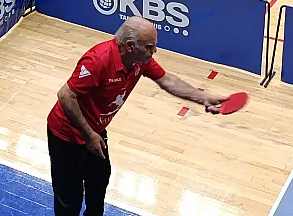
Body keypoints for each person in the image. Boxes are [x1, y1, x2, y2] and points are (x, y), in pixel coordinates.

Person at [47, 17, 229, 216]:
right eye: (149, 47)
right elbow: (65, 95)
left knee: (99, 183)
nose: (154, 51)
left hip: (95, 133)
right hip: (67, 135)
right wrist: (89, 135)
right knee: (69, 198)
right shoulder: (98, 60)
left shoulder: (139, 61)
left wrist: (203, 98)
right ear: (130, 45)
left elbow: (167, 80)